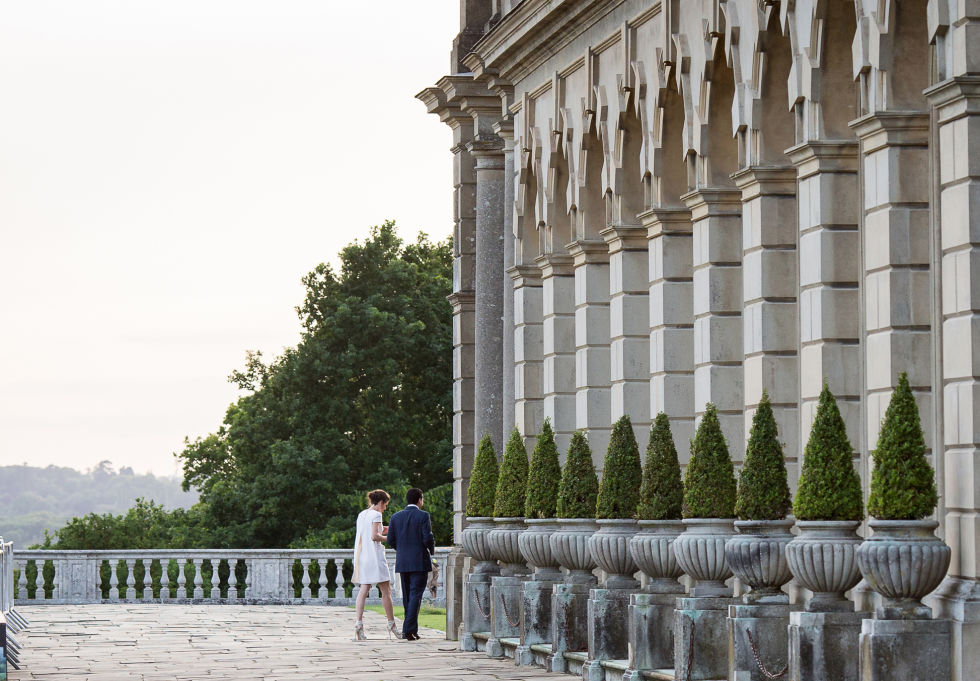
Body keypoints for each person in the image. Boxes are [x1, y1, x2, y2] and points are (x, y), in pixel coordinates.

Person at [385, 487, 435, 641]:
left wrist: (402, 550)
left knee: (408, 597)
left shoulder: (395, 517)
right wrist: (431, 551)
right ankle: (408, 630)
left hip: (403, 561)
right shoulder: (423, 516)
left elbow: (390, 540)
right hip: (419, 561)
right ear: (419, 499)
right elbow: (428, 537)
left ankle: (412, 630)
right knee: (415, 596)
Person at [352, 489, 400, 641]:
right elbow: (375, 536)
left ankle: (359, 624)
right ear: (381, 502)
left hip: (362, 557)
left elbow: (373, 530)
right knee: (386, 591)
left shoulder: (362, 514)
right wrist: (391, 539)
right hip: (374, 556)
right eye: (385, 504)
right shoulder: (377, 514)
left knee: (363, 590)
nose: (385, 508)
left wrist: (390, 529)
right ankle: (391, 624)